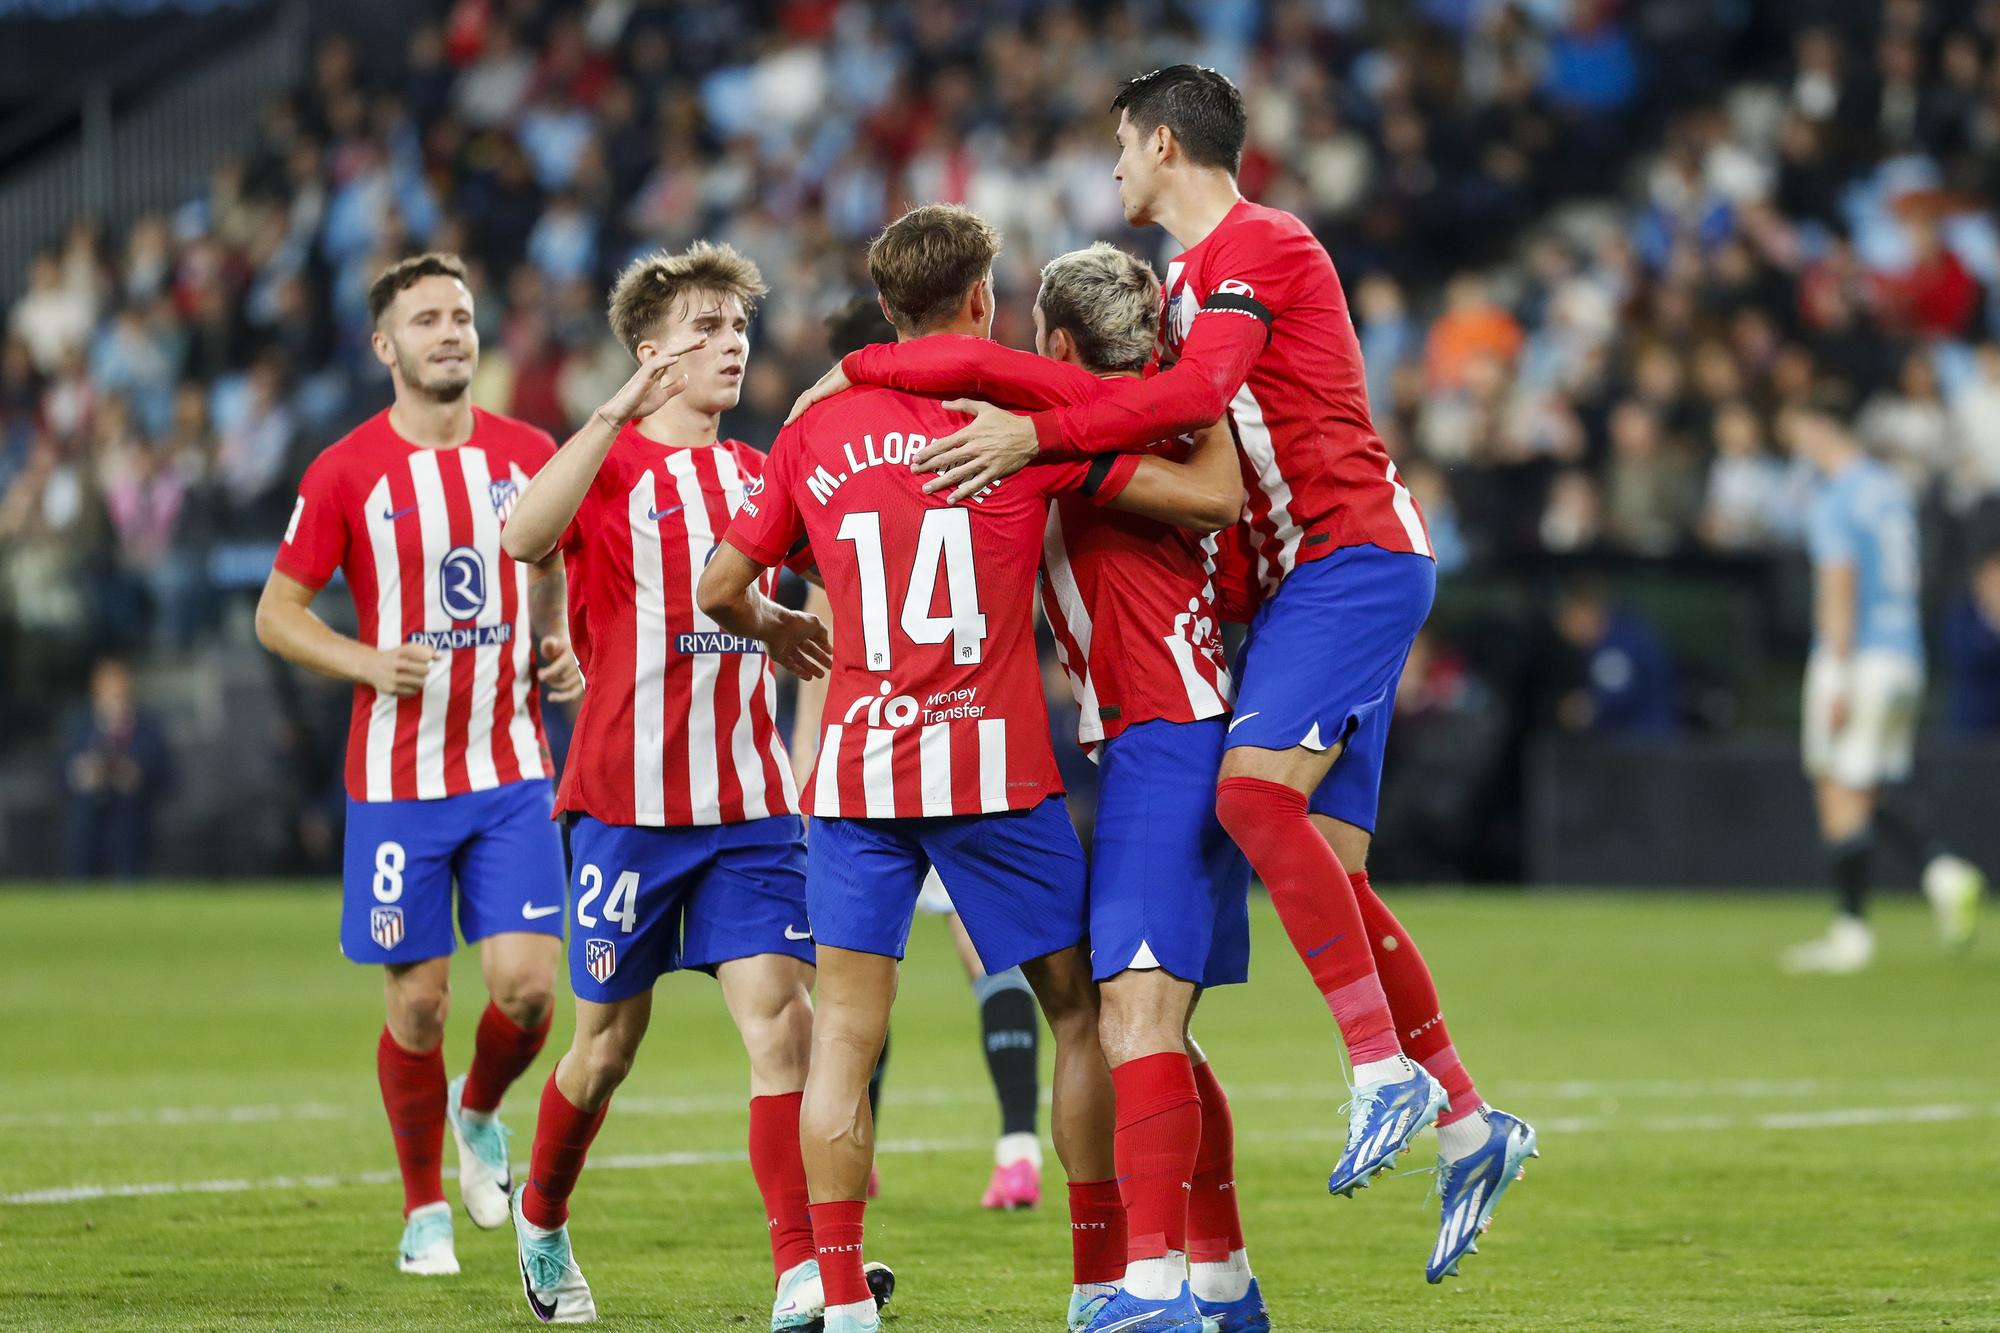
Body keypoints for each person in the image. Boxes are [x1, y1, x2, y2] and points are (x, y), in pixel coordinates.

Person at [793, 66, 1533, 1283]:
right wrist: (895, 376)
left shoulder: (1259, 246)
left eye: (1121, 147)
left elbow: (1178, 409)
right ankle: (1456, 1119)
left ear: (1158, 141)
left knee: (1198, 899)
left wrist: (981, 412)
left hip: (1332, 570)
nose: (1115, 169)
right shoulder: (1185, 294)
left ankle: (1316, 1124)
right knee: (1309, 896)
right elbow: (1195, 463)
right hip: (1285, 598)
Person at [696, 204, 1239, 1333]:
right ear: (983, 302)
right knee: (1081, 1015)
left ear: (887, 306)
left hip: (855, 777)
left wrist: (774, 622)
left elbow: (714, 585)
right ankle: (1099, 1282)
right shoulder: (1021, 417)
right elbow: (1193, 493)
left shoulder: (812, 432)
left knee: (844, 1031)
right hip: (993, 773)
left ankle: (841, 1299)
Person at [496, 242, 880, 1330]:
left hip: (752, 809)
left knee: (783, 1027)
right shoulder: (609, 468)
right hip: (625, 811)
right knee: (603, 1048)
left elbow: (830, 604)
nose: (729, 345)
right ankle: (541, 1213)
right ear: (652, 351)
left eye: (738, 328)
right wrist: (617, 410)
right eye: (704, 329)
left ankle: (798, 1272)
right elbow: (524, 534)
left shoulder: (766, 473)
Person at [255, 252, 582, 1276]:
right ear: (385, 346)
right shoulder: (345, 469)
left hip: (512, 765)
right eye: (428, 319)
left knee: (529, 989)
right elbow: (276, 612)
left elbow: (555, 550)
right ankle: (420, 1209)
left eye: (462, 316)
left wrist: (558, 634)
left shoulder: (529, 451)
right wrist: (364, 659)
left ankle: (476, 1105)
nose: (451, 332)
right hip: (397, 782)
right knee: (420, 1004)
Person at [814, 295, 1047, 1213]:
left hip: (864, 761)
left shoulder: (833, 469)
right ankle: (1020, 1148)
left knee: (855, 990)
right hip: (969, 746)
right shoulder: (982, 439)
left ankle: (852, 1173)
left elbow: (815, 645)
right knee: (996, 961)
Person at [1780, 401, 1985, 971]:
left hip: (1860, 656)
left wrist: (1837, 672)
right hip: (1904, 655)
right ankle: (1941, 871)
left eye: (1797, 429)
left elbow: (1840, 583)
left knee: (1838, 787)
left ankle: (1853, 932)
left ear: (1822, 425)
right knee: (1868, 785)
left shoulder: (1836, 497)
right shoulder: (1891, 490)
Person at [62, 657, 174, 878]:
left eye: (119, 691)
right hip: (89, 816)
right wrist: (81, 774)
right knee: (82, 825)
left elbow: (168, 775)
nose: (114, 698)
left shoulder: (147, 729)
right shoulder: (79, 728)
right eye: (108, 691)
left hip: (131, 816)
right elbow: (59, 773)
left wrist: (136, 775)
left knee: (129, 828)